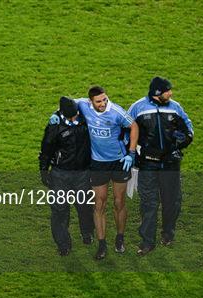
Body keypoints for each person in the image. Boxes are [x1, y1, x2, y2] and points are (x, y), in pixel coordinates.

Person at [50, 86, 138, 260]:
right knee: (99, 204)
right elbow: (66, 105)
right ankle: (102, 244)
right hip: (97, 163)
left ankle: (120, 238)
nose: (103, 103)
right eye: (99, 101)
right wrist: (56, 115)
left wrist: (131, 153)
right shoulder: (82, 105)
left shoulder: (116, 112)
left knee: (119, 203)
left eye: (105, 99)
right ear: (91, 102)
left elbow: (134, 126)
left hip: (119, 162)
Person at [128, 77, 194, 256]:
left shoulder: (176, 107)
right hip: (147, 164)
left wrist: (182, 142)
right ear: (157, 93)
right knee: (149, 203)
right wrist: (131, 154)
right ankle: (147, 241)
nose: (170, 93)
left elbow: (189, 129)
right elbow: (127, 131)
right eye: (167, 91)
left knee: (172, 202)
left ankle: (168, 233)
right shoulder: (138, 108)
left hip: (170, 164)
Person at [39, 96, 95, 256]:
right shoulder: (54, 126)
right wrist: (44, 170)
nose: (74, 117)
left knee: (84, 206)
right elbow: (46, 149)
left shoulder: (84, 117)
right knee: (59, 210)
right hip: (60, 174)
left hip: (83, 173)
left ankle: (87, 233)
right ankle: (63, 244)